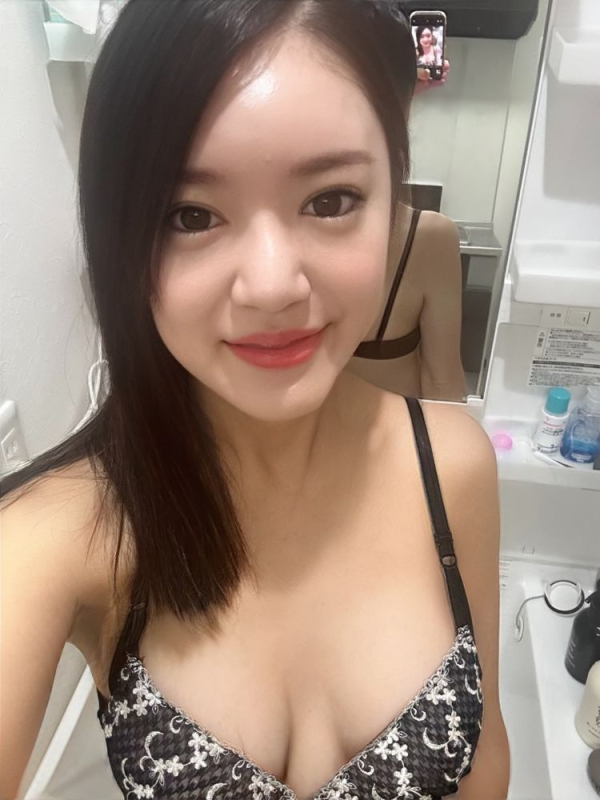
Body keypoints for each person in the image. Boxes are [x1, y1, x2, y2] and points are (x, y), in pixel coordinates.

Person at [1, 2, 510, 799]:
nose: (272, 286)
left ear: (394, 195)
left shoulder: (453, 467)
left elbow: (485, 761)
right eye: (191, 215)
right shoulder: (58, 533)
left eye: (331, 200)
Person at [347, 200, 466, 401]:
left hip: (309, 419)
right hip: (396, 417)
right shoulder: (430, 234)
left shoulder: (428, 234)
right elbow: (442, 382)